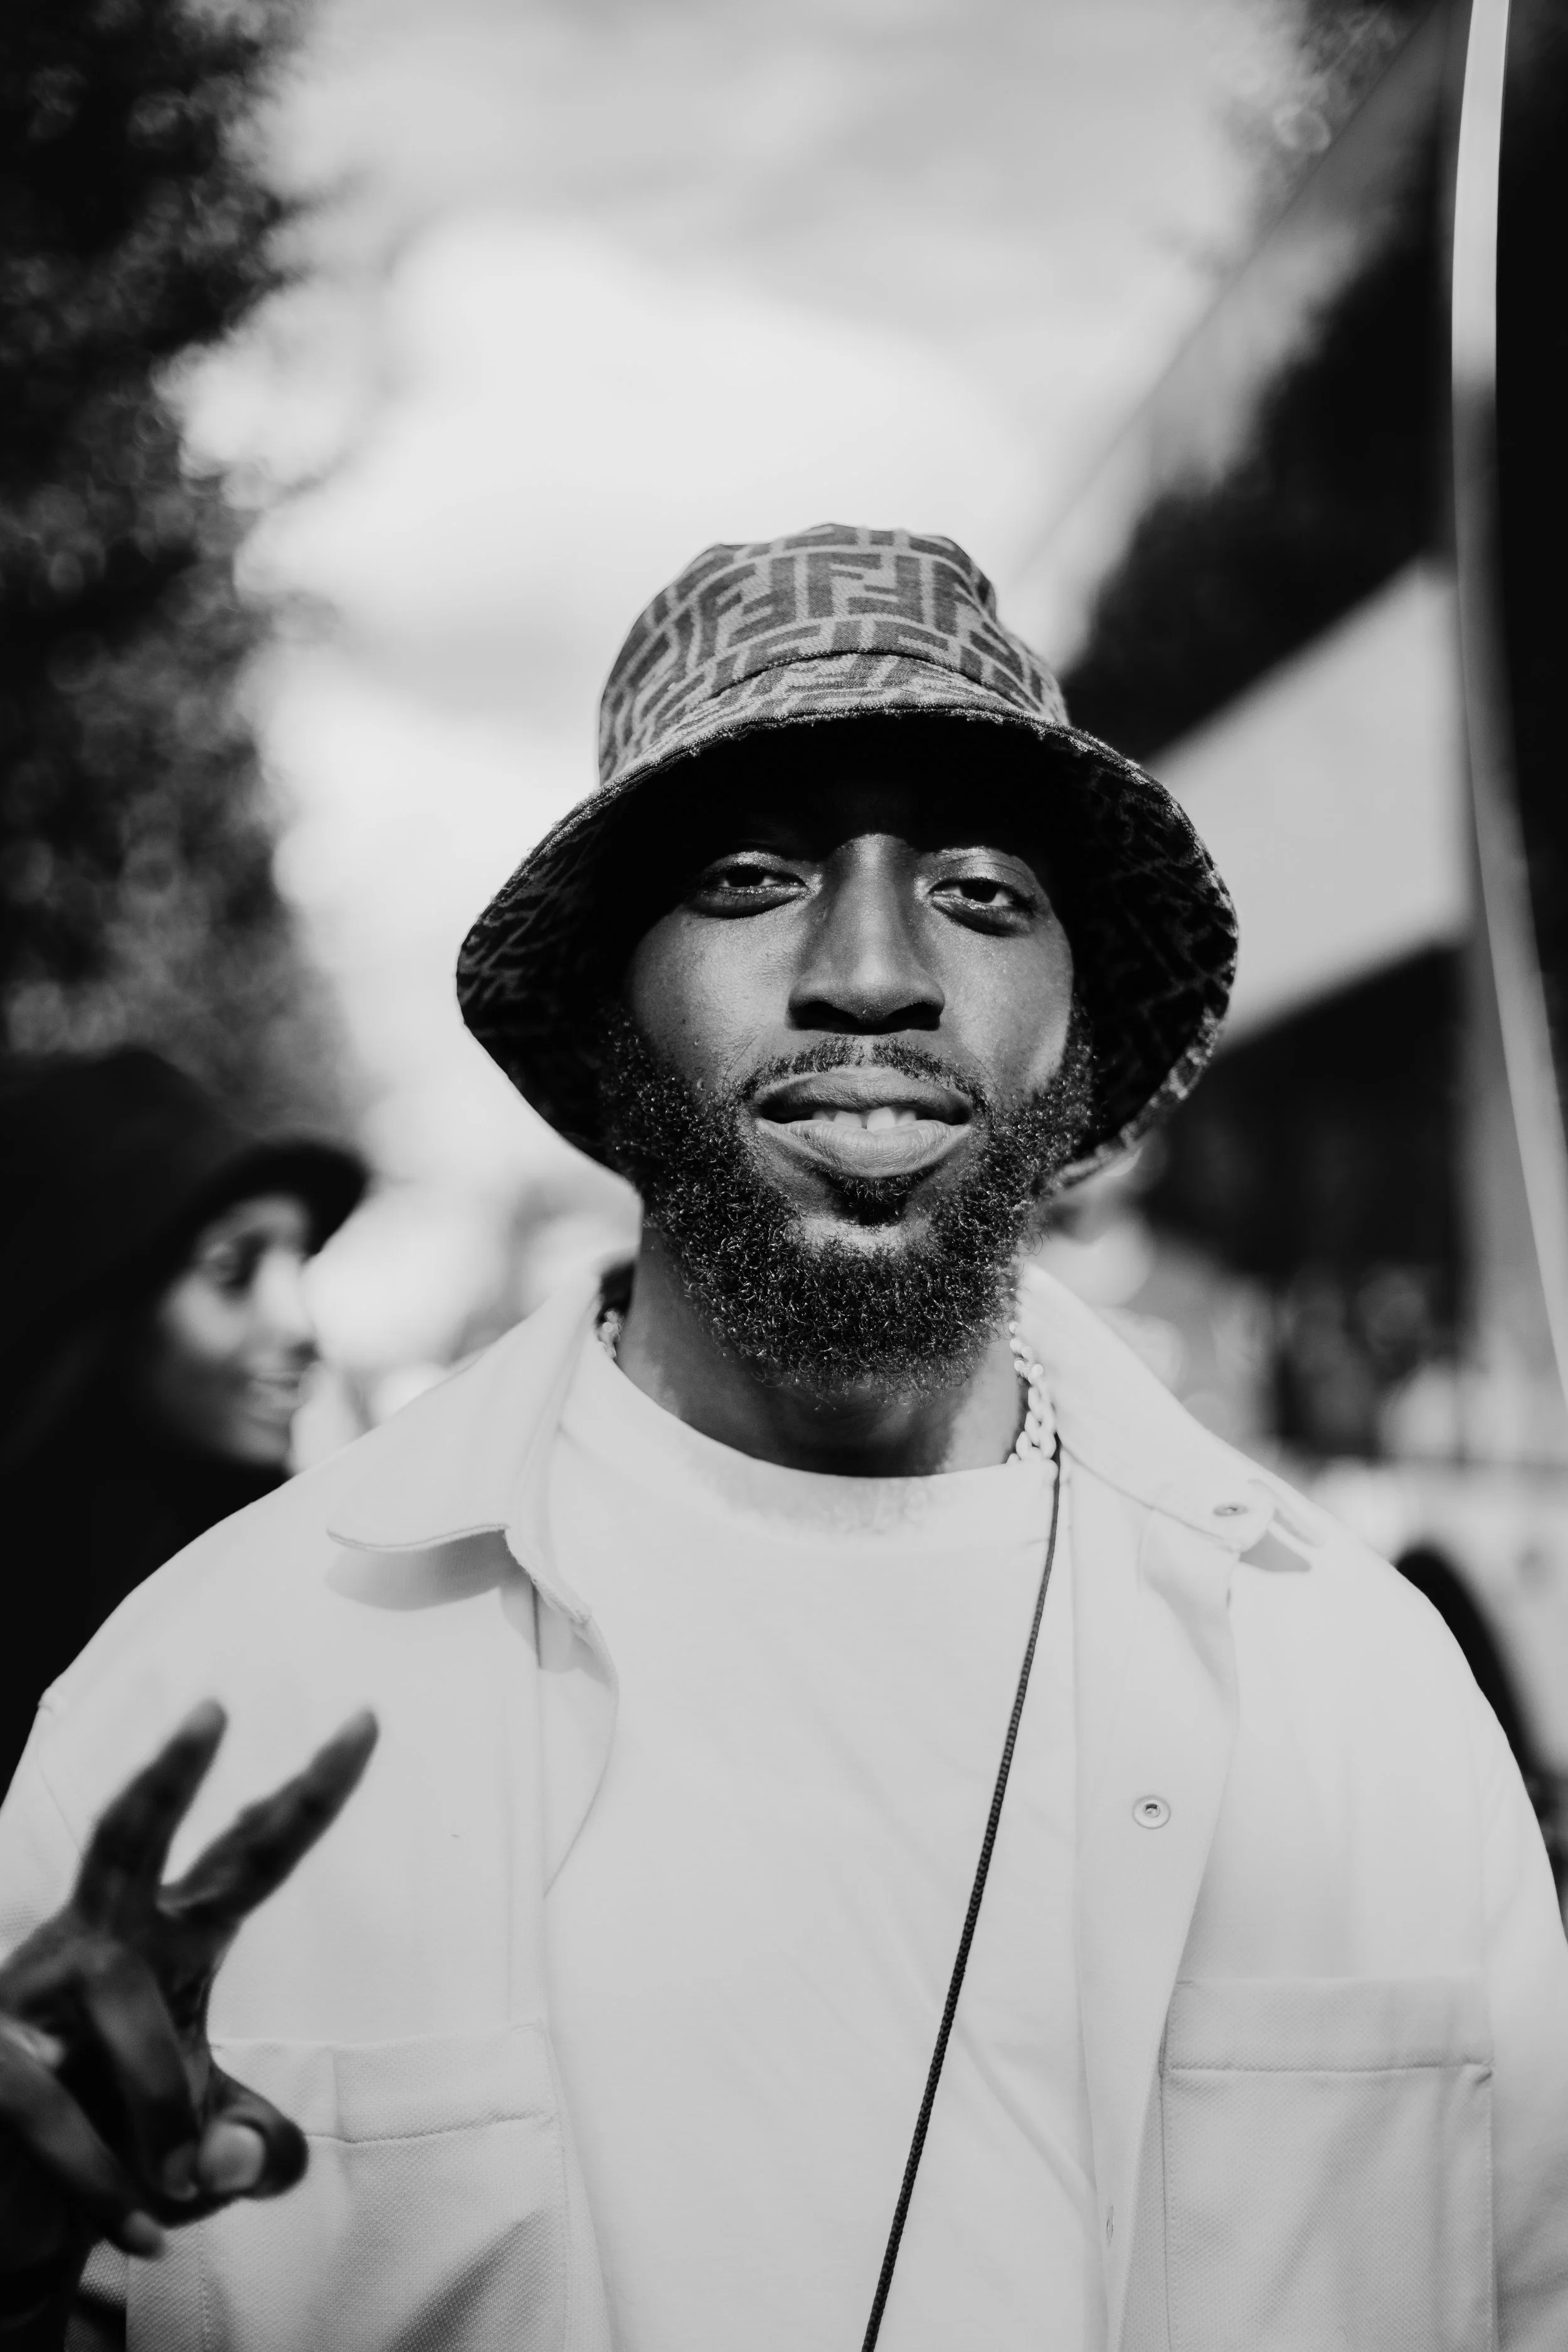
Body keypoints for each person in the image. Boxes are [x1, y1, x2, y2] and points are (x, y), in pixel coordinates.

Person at [0, 523, 1565, 2352]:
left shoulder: (1354, 1686)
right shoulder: (222, 1686)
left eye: (980, 892)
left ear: (1076, 1033)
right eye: (749, 879)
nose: (873, 969)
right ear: (605, 1013)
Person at [0, 1049, 367, 1794]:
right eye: (233, 1267)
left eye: (303, 1263)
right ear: (95, 1296)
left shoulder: (309, 1593)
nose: (301, 1323)